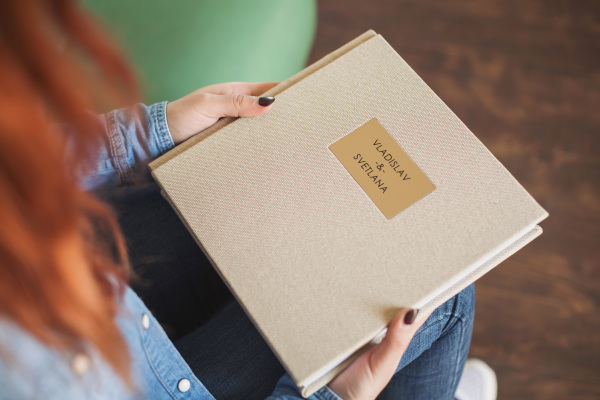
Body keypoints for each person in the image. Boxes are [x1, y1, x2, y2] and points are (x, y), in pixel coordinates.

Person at [0, 0, 475, 399]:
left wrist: (157, 129)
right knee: (439, 291)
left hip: (83, 270)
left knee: (294, 192)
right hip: (132, 375)